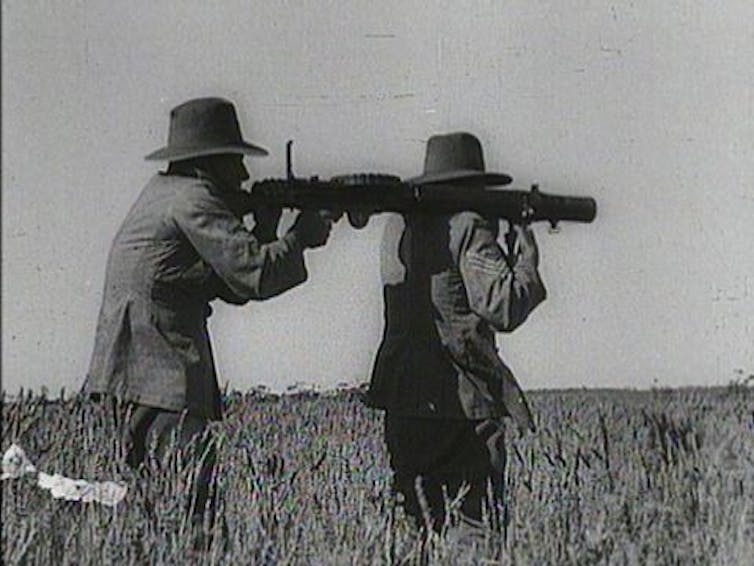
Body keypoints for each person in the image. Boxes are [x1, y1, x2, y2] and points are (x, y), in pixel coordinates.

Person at [83, 97, 333, 544]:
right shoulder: (194, 199)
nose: (242, 175)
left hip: (132, 383)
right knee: (195, 521)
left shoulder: (163, 195)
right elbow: (256, 275)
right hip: (161, 386)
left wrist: (267, 227)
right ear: (207, 164)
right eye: (234, 161)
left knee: (154, 524)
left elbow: (228, 284)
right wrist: (301, 237)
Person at [366, 132, 546, 533]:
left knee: (417, 531)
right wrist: (526, 259)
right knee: (475, 531)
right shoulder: (468, 226)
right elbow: (504, 306)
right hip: (464, 408)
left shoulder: (399, 227)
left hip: (406, 403)